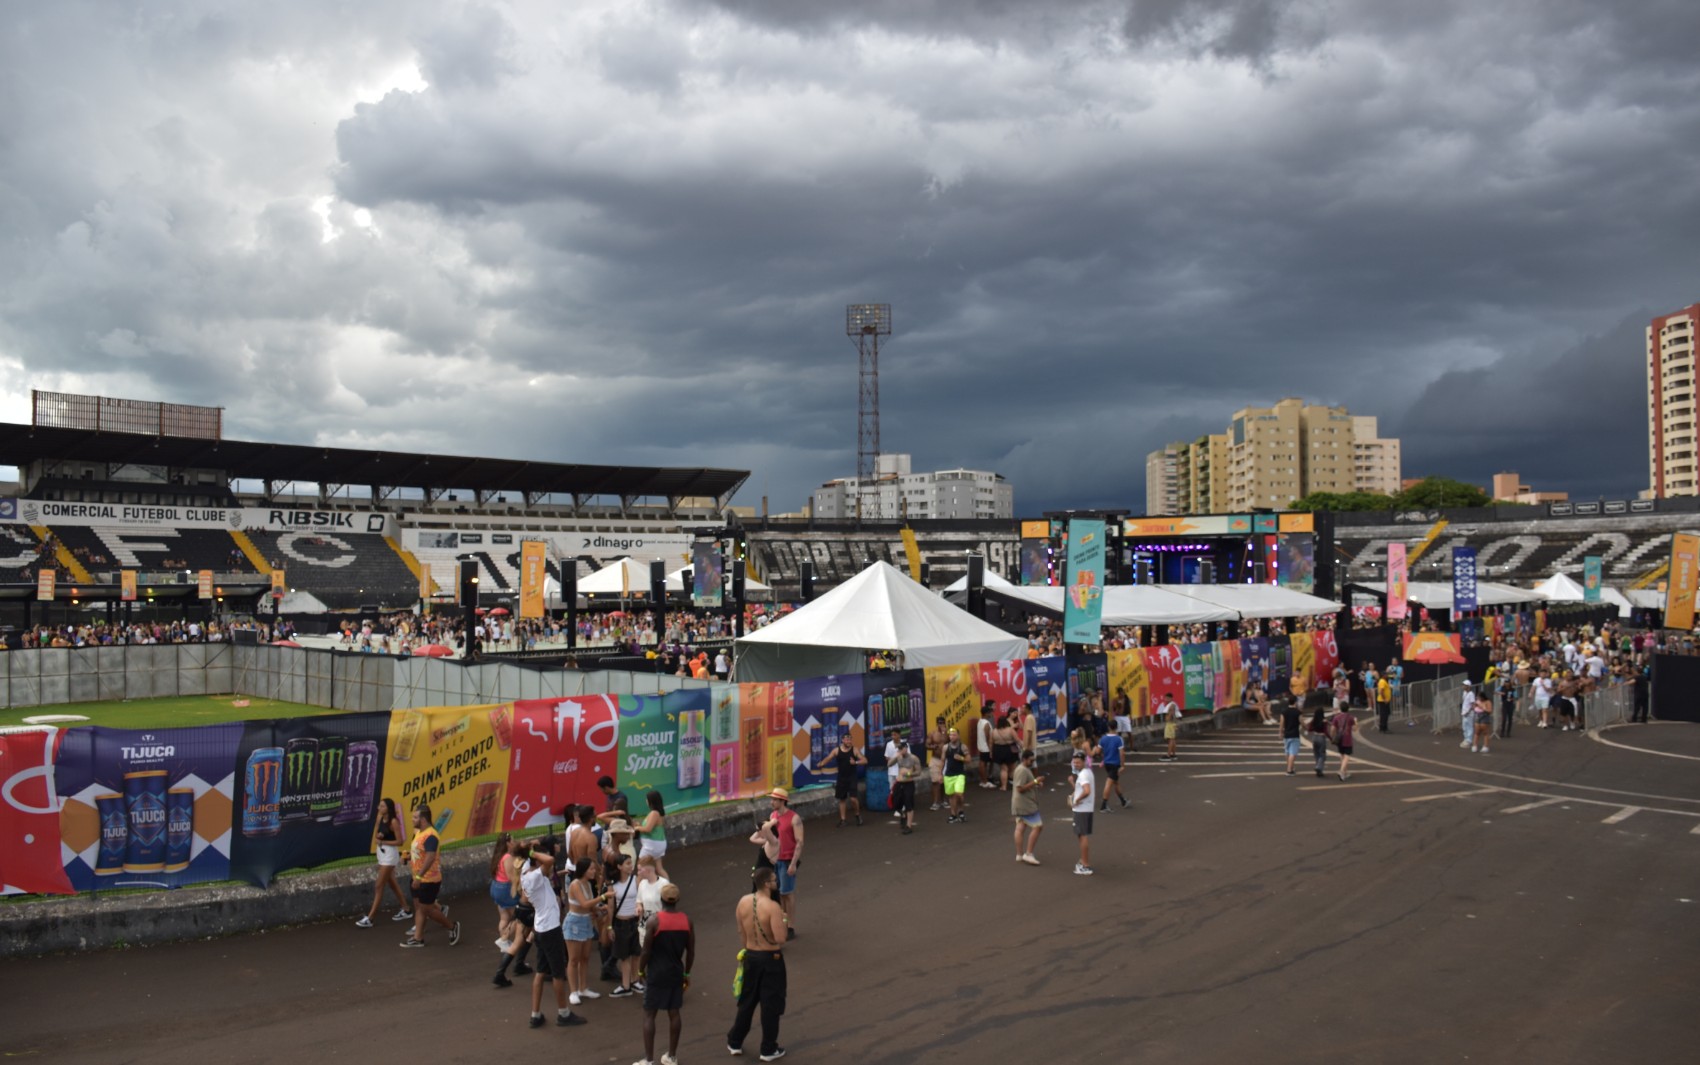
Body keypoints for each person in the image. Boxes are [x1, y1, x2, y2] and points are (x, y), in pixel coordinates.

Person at [519, 837, 587, 1029]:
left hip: (542, 929)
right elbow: (548, 861)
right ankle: (563, 1013)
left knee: (541, 972)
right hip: (550, 930)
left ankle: (535, 1014)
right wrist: (533, 852)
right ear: (536, 860)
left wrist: (529, 848)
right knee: (558, 974)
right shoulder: (533, 876)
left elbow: (539, 859)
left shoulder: (526, 871)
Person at [727, 867, 788, 1062]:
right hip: (770, 960)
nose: (776, 882)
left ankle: (735, 1041)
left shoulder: (743, 902)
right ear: (766, 884)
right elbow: (780, 938)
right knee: (771, 1005)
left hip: (751, 957)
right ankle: (768, 1048)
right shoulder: (772, 907)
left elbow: (741, 933)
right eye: (773, 880)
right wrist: (784, 921)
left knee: (747, 1001)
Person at [636, 882, 694, 1065]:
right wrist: (686, 974)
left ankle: (648, 1059)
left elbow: (646, 951)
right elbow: (691, 951)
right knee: (674, 1012)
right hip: (675, 972)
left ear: (661, 900)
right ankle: (671, 1056)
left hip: (656, 972)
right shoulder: (686, 921)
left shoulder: (655, 921)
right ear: (677, 900)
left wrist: (640, 970)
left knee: (649, 1014)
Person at [402, 804, 461, 948]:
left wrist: (419, 877)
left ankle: (452, 926)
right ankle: (418, 938)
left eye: (415, 817)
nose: (412, 820)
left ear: (423, 819)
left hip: (428, 879)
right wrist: (408, 857)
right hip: (417, 877)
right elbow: (420, 854)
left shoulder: (431, 836)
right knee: (419, 907)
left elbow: (430, 857)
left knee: (427, 909)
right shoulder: (419, 833)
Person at [356, 797, 409, 928]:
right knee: (392, 884)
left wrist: (383, 841)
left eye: (382, 806)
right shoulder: (380, 819)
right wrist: (380, 836)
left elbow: (400, 841)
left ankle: (371, 917)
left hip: (390, 856)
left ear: (388, 809)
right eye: (379, 806)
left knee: (379, 886)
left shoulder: (394, 822)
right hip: (382, 854)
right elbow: (377, 836)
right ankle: (406, 909)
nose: (379, 808)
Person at [563, 855, 608, 1005]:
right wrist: (603, 897)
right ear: (584, 870)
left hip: (587, 921)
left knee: (585, 958)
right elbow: (583, 903)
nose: (594, 871)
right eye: (592, 869)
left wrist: (600, 909)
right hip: (575, 923)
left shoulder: (588, 884)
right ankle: (573, 991)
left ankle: (583, 988)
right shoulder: (575, 885)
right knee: (574, 959)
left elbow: (589, 905)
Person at [608, 853, 643, 997]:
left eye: (631, 863)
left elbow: (642, 898)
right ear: (619, 867)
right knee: (624, 956)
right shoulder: (612, 885)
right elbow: (611, 906)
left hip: (634, 921)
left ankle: (635, 981)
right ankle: (626, 984)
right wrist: (610, 926)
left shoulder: (636, 880)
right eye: (627, 863)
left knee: (636, 953)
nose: (631, 866)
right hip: (620, 923)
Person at [769, 787, 803, 940]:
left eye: (775, 800)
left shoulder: (794, 819)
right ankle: (783, 923)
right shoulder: (773, 816)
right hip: (776, 860)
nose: (772, 802)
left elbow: (800, 842)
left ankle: (791, 925)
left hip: (787, 859)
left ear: (782, 801)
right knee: (780, 894)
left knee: (787, 894)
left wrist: (793, 863)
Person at [817, 732, 866, 827]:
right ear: (842, 740)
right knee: (842, 799)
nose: (849, 741)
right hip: (841, 778)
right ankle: (843, 820)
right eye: (847, 739)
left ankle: (857, 815)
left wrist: (855, 762)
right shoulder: (836, 750)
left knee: (853, 799)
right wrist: (822, 763)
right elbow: (828, 758)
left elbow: (865, 760)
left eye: (850, 739)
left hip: (852, 777)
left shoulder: (855, 750)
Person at [1010, 748, 1045, 865]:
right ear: (1024, 759)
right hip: (1026, 804)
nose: (1032, 763)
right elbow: (1020, 788)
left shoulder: (1022, 769)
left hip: (1020, 804)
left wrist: (1035, 783)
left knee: (1020, 826)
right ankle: (1028, 854)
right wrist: (1035, 781)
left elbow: (1023, 785)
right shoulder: (1023, 770)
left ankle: (1019, 854)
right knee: (1038, 826)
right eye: (1031, 760)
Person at [489, 833, 520, 950]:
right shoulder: (507, 857)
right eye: (513, 840)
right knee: (519, 918)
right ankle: (504, 939)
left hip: (496, 888)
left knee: (504, 917)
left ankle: (504, 945)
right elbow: (511, 877)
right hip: (505, 890)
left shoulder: (498, 856)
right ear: (507, 843)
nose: (515, 842)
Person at [1069, 749, 1095, 875]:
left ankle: (1085, 864)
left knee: (1082, 835)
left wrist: (1077, 800)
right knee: (1081, 835)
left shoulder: (1083, 774)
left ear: (1084, 761)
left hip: (1082, 809)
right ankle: (1083, 861)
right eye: (1074, 762)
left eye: (1078, 762)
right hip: (1087, 808)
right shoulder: (1088, 772)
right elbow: (1082, 789)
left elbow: (1086, 790)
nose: (1076, 764)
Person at [634, 791, 670, 879]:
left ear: (650, 801)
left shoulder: (654, 813)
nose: (646, 801)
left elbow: (647, 829)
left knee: (640, 867)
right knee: (659, 868)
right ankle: (668, 888)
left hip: (652, 845)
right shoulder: (657, 813)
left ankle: (640, 889)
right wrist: (640, 826)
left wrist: (637, 828)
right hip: (656, 843)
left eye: (647, 799)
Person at [892, 738, 922, 834]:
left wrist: (909, 774)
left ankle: (909, 826)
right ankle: (903, 815)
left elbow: (919, 772)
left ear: (906, 748)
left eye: (901, 748)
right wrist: (895, 757)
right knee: (896, 803)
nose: (900, 750)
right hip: (899, 783)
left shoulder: (914, 758)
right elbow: (888, 764)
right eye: (899, 749)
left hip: (908, 783)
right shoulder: (898, 757)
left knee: (909, 804)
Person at [941, 727, 970, 823]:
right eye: (950, 735)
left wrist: (961, 758)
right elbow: (942, 761)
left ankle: (961, 810)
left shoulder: (963, 747)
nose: (951, 737)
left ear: (958, 735)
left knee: (959, 794)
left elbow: (968, 760)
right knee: (951, 796)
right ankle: (953, 814)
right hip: (948, 775)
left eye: (954, 735)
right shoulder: (945, 747)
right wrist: (941, 774)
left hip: (959, 774)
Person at [1096, 727, 1127, 810]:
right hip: (1115, 764)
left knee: (1115, 782)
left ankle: (1123, 800)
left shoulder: (1103, 738)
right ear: (1116, 728)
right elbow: (1122, 753)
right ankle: (1104, 805)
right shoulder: (1119, 739)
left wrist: (1104, 756)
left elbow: (1098, 751)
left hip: (1107, 763)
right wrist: (1122, 765)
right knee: (1109, 783)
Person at [926, 715, 949, 811]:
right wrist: (933, 747)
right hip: (936, 759)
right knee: (935, 782)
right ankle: (935, 802)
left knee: (944, 782)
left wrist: (945, 734)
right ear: (937, 724)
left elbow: (955, 741)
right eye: (939, 723)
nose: (941, 725)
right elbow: (926, 745)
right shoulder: (932, 733)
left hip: (946, 760)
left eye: (942, 722)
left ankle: (944, 800)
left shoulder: (949, 733)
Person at [991, 712, 1019, 791]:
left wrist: (991, 752)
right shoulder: (1010, 730)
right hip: (1010, 749)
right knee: (1013, 768)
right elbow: (1017, 740)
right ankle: (1015, 783)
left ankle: (1004, 786)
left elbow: (991, 742)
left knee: (1003, 769)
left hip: (998, 750)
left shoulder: (994, 731)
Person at [1329, 706, 1356, 781]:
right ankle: (1341, 771)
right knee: (1347, 755)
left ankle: (1345, 772)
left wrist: (1332, 737)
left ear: (1340, 708)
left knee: (1341, 755)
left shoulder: (1336, 717)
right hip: (1347, 739)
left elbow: (1332, 728)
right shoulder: (1351, 717)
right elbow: (1354, 729)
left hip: (1339, 739)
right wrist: (1356, 722)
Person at [1280, 694, 1303, 776]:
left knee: (1287, 752)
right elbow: (1302, 722)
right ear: (1295, 702)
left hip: (1287, 734)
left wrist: (1280, 732)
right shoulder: (1298, 712)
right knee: (1293, 752)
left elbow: (1282, 724)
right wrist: (1306, 727)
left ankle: (1290, 766)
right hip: (1295, 734)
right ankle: (1289, 770)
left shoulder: (1284, 712)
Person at [1306, 704, 1330, 778]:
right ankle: (1319, 767)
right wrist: (1331, 738)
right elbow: (1326, 731)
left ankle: (1319, 770)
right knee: (1322, 754)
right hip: (1321, 737)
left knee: (1316, 754)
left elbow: (1309, 729)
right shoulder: (1324, 721)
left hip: (1314, 737)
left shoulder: (1313, 720)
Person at [1157, 692, 1182, 762]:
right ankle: (1173, 754)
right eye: (1166, 698)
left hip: (1170, 724)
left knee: (1170, 739)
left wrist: (1168, 718)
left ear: (1171, 698)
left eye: (1168, 698)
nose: (1166, 699)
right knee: (1172, 739)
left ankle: (1168, 755)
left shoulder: (1171, 706)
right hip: (1172, 723)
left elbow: (1171, 714)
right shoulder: (1173, 705)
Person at [976, 705, 995, 788]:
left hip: (981, 746)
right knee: (983, 764)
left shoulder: (980, 721)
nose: (991, 713)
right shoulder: (986, 723)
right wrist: (990, 750)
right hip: (985, 748)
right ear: (986, 713)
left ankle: (983, 781)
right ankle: (985, 782)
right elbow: (988, 738)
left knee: (982, 764)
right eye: (990, 712)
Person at [1497, 672, 1518, 739]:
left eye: (1508, 682)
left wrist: (1512, 698)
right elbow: (1495, 691)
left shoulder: (1512, 689)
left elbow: (1516, 696)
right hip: (1504, 704)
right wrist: (1501, 693)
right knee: (1504, 719)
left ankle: (1508, 732)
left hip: (1510, 704)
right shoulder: (1502, 688)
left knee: (1510, 719)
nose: (1507, 684)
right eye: (1506, 682)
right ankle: (1502, 731)